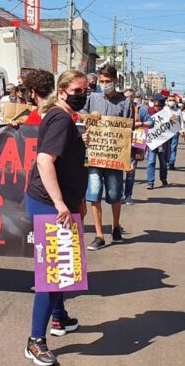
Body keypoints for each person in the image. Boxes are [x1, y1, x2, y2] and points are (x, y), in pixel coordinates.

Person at [24, 69, 89, 366]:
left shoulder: (61, 117)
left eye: (85, 90)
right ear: (62, 91)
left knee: (63, 269)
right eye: (76, 91)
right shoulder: (62, 119)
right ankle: (35, 341)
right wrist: (61, 203)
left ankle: (59, 318)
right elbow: (43, 161)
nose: (82, 95)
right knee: (52, 276)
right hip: (49, 205)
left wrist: (75, 202)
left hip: (58, 203)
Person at [82, 65, 132, 251]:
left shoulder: (125, 102)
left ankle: (116, 226)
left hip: (115, 157)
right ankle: (99, 235)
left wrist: (131, 158)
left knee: (114, 194)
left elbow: (130, 131)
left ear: (115, 81)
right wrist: (89, 116)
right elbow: (80, 118)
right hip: (94, 154)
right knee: (94, 194)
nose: (104, 84)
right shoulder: (92, 98)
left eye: (107, 81)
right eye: (102, 81)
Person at [145, 94, 179, 189]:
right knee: (151, 161)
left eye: (159, 105)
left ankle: (163, 178)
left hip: (163, 142)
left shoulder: (167, 112)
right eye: (156, 105)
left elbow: (174, 125)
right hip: (152, 142)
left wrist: (174, 120)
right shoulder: (148, 112)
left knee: (163, 162)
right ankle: (150, 182)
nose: (157, 107)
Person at [125, 98, 152, 205]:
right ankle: (117, 195)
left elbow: (151, 122)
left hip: (135, 145)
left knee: (131, 171)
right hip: (119, 145)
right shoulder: (118, 106)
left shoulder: (141, 110)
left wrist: (140, 123)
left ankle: (128, 196)